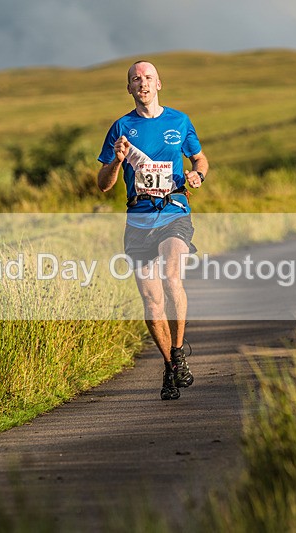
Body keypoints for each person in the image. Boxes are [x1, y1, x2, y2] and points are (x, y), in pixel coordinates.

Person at [97, 60, 209, 400]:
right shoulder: (121, 127)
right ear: (129, 89)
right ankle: (170, 367)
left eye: (147, 78)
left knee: (172, 276)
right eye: (135, 79)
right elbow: (103, 185)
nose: (142, 83)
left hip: (174, 212)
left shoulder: (180, 120)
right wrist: (117, 161)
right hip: (138, 220)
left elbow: (200, 159)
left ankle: (178, 351)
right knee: (150, 300)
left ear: (159, 84)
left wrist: (197, 176)